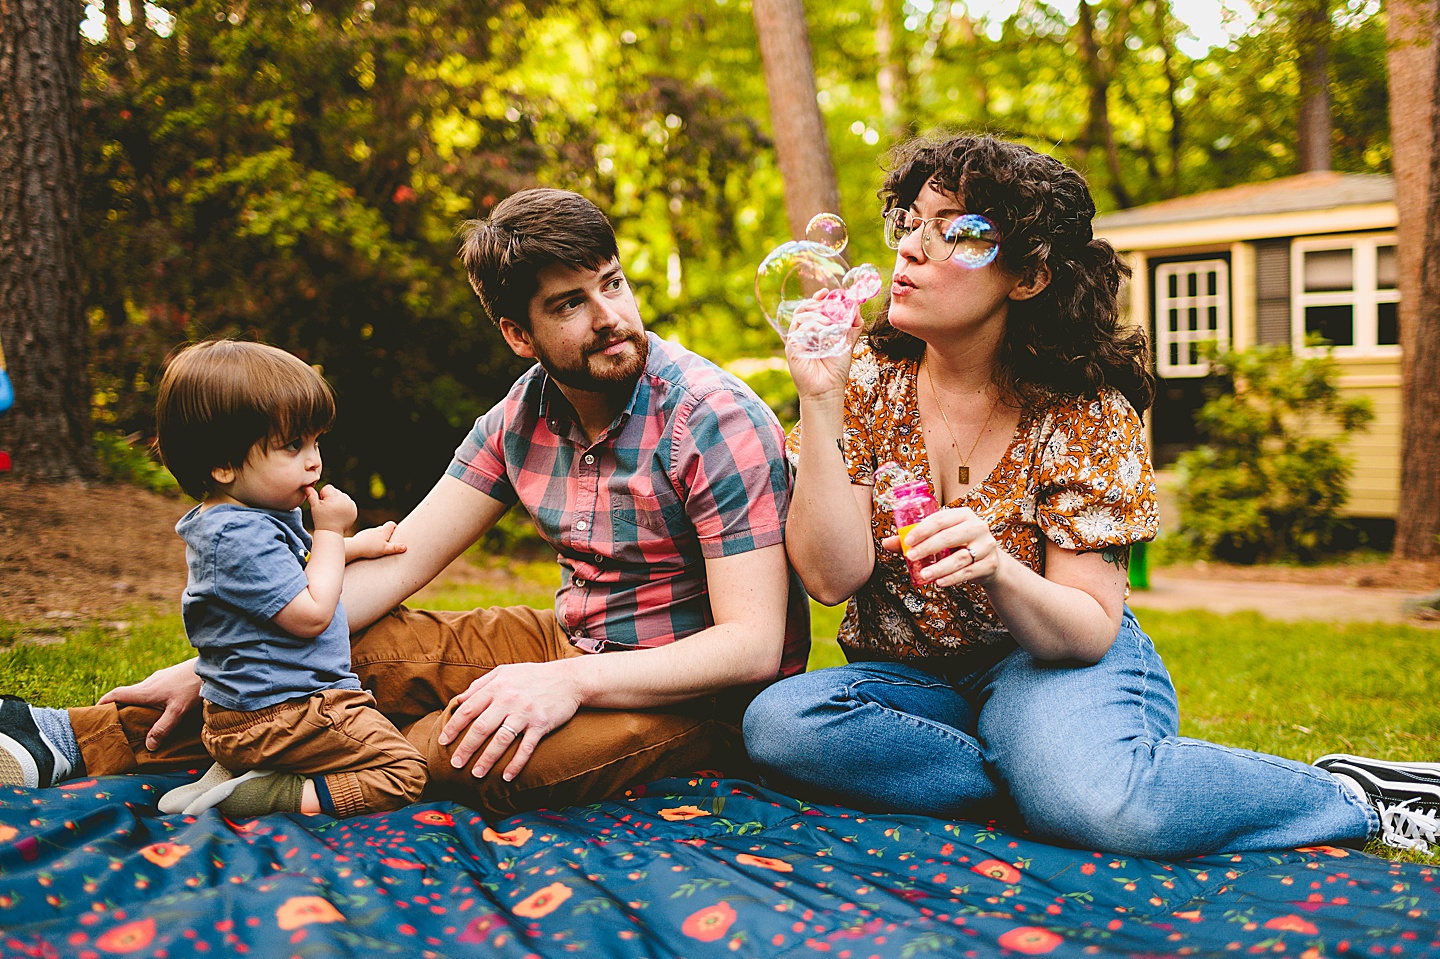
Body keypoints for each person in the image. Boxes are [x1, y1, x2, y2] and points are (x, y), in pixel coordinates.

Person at [0, 188, 809, 819]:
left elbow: (750, 644)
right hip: (569, 638)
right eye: (570, 304)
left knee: (465, 749)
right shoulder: (520, 416)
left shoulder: (712, 416)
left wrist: (569, 687)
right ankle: (61, 739)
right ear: (517, 334)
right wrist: (213, 665)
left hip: (695, 697)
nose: (611, 319)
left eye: (613, 285)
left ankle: (314, 769)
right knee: (351, 654)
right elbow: (400, 561)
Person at [742, 132, 1440, 858]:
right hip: (911, 685)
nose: (911, 249)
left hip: (1049, 663)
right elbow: (829, 579)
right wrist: (817, 403)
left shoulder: (1084, 409)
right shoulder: (867, 378)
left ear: (1028, 277)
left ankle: (1358, 798)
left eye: (952, 233)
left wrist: (999, 567)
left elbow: (1089, 628)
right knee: (783, 725)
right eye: (911, 222)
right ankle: (1038, 778)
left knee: (1110, 809)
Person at [150, 340, 426, 818]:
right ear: (223, 465)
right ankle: (255, 795)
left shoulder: (253, 517)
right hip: (281, 714)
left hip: (264, 711)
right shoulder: (236, 536)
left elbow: (294, 565)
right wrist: (333, 532)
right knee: (404, 771)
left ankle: (242, 768)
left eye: (315, 442)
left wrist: (351, 546)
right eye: (292, 446)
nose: (314, 461)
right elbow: (311, 613)